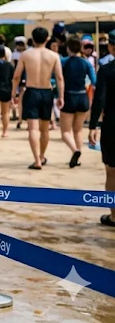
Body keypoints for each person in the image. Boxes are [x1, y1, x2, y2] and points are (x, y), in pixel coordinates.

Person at [13, 27, 64, 170]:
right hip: (47, 91)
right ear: (47, 39)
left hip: (31, 90)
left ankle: (37, 160)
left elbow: (16, 76)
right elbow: (59, 77)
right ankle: (42, 155)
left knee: (33, 129)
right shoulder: (54, 56)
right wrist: (61, 96)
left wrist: (13, 93)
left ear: (33, 38)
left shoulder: (25, 54)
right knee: (45, 129)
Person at [88, 57, 115, 227]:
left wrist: (93, 125)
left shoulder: (107, 70)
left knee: (112, 171)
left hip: (112, 124)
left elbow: (100, 99)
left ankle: (114, 216)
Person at [60, 37, 94, 168]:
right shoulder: (86, 63)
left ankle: (75, 150)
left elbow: (56, 77)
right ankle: (78, 157)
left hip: (68, 97)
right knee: (78, 130)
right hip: (82, 97)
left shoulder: (63, 62)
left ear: (68, 48)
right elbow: (94, 80)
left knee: (65, 132)